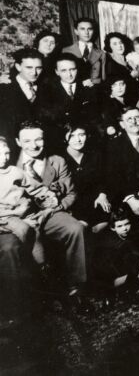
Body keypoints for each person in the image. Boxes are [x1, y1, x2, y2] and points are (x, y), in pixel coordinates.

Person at [15, 120, 88, 307]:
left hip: (52, 214)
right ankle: (42, 296)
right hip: (22, 218)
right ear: (18, 142)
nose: (34, 146)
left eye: (38, 139)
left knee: (75, 228)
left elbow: (72, 194)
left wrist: (52, 209)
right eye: (27, 141)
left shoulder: (57, 161)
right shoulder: (8, 164)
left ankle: (77, 287)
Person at [92, 206, 139, 294]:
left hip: (137, 271)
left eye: (127, 224)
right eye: (119, 226)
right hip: (124, 275)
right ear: (113, 228)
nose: (125, 228)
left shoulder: (135, 234)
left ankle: (129, 282)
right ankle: (124, 282)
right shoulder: (112, 245)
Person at [38, 52, 98, 151]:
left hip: (85, 141)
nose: (69, 74)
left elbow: (94, 117)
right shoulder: (47, 91)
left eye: (72, 69)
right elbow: (48, 120)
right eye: (63, 70)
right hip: (60, 143)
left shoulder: (88, 88)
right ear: (57, 72)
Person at [62, 122, 110, 230]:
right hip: (73, 205)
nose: (78, 140)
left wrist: (103, 194)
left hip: (96, 200)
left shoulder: (95, 154)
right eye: (72, 135)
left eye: (81, 135)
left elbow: (104, 178)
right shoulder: (60, 159)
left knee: (103, 225)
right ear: (65, 137)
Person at [0, 48, 43, 148]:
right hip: (12, 148)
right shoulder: (4, 89)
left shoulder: (46, 87)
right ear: (18, 67)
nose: (34, 72)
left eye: (38, 68)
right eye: (29, 67)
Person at [0, 137, 34, 247]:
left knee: (35, 227)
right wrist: (15, 214)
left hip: (18, 212)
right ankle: (27, 262)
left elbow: (35, 187)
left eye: (6, 153)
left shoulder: (16, 171)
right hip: (5, 216)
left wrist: (49, 196)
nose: (3, 158)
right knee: (24, 228)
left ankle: (42, 263)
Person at [63, 17, 105, 87]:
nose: (86, 32)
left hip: (95, 91)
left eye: (89, 29)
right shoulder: (66, 51)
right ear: (76, 31)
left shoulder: (101, 53)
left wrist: (93, 81)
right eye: (82, 29)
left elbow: (103, 78)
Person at [101, 73, 135, 138]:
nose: (119, 88)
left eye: (121, 84)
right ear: (109, 87)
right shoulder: (109, 104)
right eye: (115, 85)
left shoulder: (129, 101)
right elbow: (109, 124)